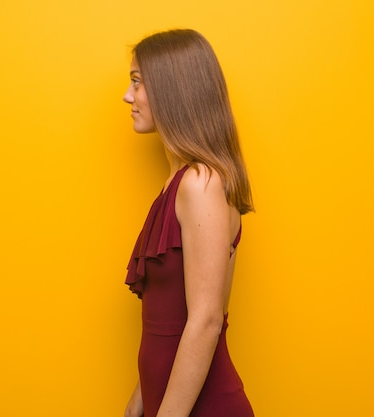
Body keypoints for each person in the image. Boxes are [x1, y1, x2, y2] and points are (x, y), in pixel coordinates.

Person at [122, 29, 255, 417]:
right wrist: (139, 400)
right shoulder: (177, 185)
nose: (128, 97)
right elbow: (168, 321)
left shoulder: (201, 184)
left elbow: (207, 319)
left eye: (137, 82)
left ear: (171, 89)